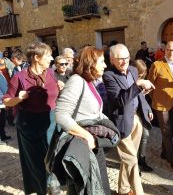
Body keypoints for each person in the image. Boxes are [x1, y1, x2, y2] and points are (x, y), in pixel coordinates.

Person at [55, 46, 120, 195]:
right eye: (102, 61)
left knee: (101, 189)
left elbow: (93, 112)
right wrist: (88, 136)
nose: (105, 65)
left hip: (94, 147)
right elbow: (61, 115)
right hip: (84, 146)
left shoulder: (89, 82)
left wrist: (107, 125)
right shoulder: (76, 81)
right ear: (91, 62)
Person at [3, 42, 59, 195]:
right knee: (35, 160)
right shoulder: (19, 77)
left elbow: (55, 96)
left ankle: (52, 181)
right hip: (30, 124)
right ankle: (40, 188)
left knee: (52, 154)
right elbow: (7, 101)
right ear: (36, 57)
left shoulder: (52, 74)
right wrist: (19, 98)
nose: (51, 58)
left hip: (52, 120)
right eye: (48, 55)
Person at [103, 44, 154, 195]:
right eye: (120, 59)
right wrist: (138, 84)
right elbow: (120, 100)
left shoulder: (133, 70)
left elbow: (138, 95)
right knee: (132, 159)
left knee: (128, 159)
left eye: (127, 57)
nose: (125, 61)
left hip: (136, 119)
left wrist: (147, 108)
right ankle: (139, 192)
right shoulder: (108, 76)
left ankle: (123, 190)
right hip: (121, 122)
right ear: (112, 59)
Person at [148, 41, 173, 172]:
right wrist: (157, 98)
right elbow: (149, 86)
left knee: (171, 130)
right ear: (165, 50)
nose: (172, 53)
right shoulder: (156, 65)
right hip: (161, 104)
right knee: (166, 131)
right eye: (169, 50)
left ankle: (164, 153)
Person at [131, 59, 153, 172]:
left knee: (145, 134)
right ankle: (134, 165)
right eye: (140, 73)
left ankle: (142, 160)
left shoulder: (141, 81)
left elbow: (143, 99)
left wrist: (149, 110)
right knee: (134, 141)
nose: (141, 75)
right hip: (133, 115)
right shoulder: (129, 81)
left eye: (143, 73)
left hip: (141, 112)